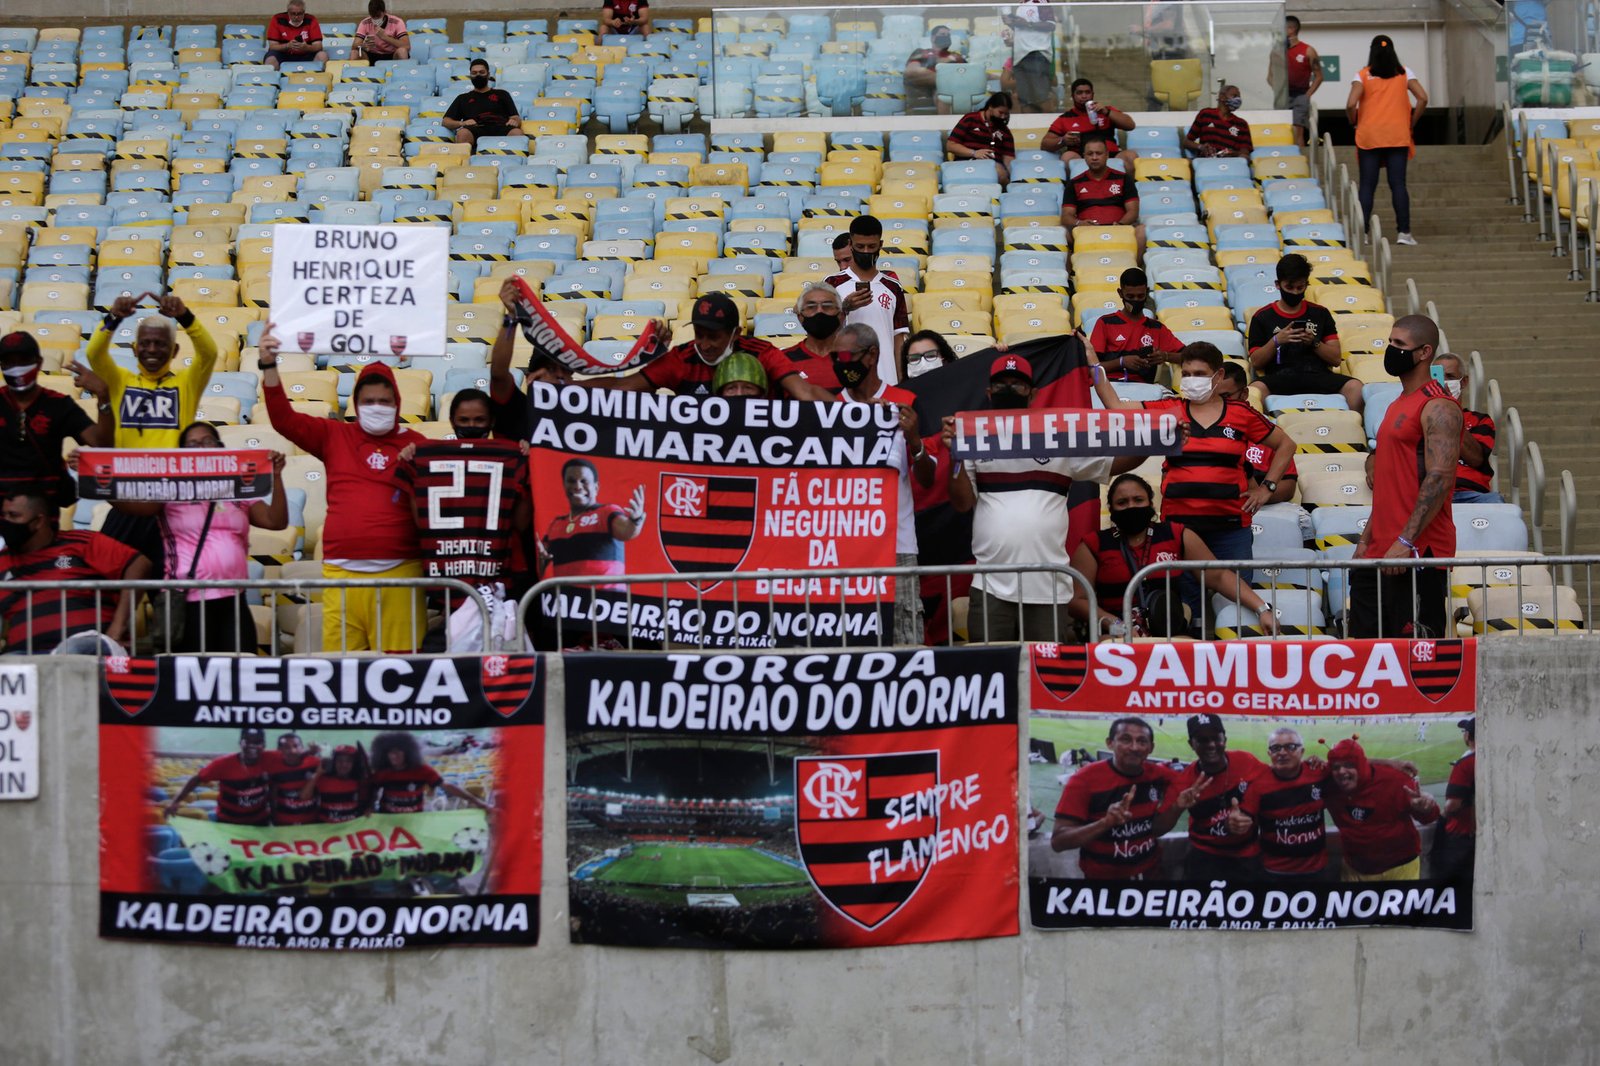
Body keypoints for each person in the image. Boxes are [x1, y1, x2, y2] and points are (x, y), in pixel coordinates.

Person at [945, 354, 1145, 642]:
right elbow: (962, 503)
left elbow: (1117, 462)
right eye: (1002, 384)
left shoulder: (1058, 438)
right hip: (991, 586)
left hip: (1049, 588)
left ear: (1034, 393)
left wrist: (1158, 439)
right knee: (994, 676)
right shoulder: (972, 439)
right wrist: (956, 456)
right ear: (989, 393)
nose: (1009, 389)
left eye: (1018, 384)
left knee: (1045, 679)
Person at [259, 325, 428, 652]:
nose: (376, 406)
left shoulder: (418, 444)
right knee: (343, 671)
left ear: (397, 402)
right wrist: (268, 366)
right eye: (368, 401)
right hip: (342, 575)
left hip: (402, 576)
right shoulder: (333, 435)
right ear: (355, 403)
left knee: (403, 670)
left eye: (384, 400)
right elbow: (284, 420)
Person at [1092, 341, 1296, 598]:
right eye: (1186, 374)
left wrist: (1267, 488)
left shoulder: (1241, 413)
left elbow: (1286, 444)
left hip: (1231, 529)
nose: (1191, 380)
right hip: (1180, 530)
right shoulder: (1168, 410)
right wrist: (1093, 363)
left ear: (1218, 375)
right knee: (1186, 607)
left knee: (1236, 605)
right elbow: (1115, 407)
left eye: (1199, 374)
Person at [106, 422, 289, 653]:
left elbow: (276, 521)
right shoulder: (170, 490)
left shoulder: (237, 489)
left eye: (208, 441)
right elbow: (132, 507)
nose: (201, 447)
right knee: (193, 678)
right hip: (188, 600)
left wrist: (277, 477)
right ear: (182, 454)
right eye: (192, 444)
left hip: (233, 598)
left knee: (239, 671)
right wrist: (97, 481)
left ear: (220, 448)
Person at [87, 291, 220, 570]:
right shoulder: (119, 380)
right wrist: (113, 318)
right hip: (129, 492)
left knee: (171, 579)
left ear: (173, 351)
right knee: (109, 570)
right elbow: (94, 353)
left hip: (172, 498)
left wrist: (184, 316)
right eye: (144, 343)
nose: (151, 350)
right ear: (134, 349)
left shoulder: (187, 383)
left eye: (160, 344)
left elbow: (209, 352)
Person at [396, 390, 531, 649]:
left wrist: (525, 460)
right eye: (464, 420)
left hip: (495, 574)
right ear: (452, 420)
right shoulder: (423, 456)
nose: (471, 426)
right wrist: (411, 457)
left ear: (492, 422)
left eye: (479, 420)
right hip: (456, 573)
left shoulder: (513, 456)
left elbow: (521, 524)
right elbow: (420, 519)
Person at [1069, 473, 1280, 639]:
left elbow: (1219, 576)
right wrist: (1115, 624)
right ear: (1112, 510)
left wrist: (1262, 609)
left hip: (1170, 631)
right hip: (1116, 634)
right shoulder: (1093, 544)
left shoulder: (1177, 534)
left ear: (1151, 505)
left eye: (1138, 500)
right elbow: (1078, 601)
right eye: (1122, 503)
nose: (1131, 506)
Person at [1353, 314, 1459, 638]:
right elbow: (1389, 482)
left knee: (1413, 660)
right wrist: (1365, 540)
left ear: (1425, 352)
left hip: (1414, 553)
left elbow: (1439, 478)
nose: (1391, 350)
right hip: (1380, 551)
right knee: (1367, 654)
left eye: (1399, 345)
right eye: (1390, 342)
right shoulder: (1396, 404)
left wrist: (1405, 541)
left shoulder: (1439, 406)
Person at [833, 323, 934, 645]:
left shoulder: (906, 401)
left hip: (897, 546)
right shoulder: (828, 408)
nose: (841, 364)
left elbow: (928, 479)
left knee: (904, 642)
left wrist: (914, 438)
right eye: (836, 358)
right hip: (843, 546)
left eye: (847, 356)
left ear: (872, 355)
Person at [589, 293, 834, 400]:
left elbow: (806, 393)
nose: (704, 345)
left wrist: (858, 413)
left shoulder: (763, 353)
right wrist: (560, 388)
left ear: (736, 333)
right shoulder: (682, 358)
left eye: (714, 336)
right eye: (699, 334)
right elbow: (623, 387)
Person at [0, 492, 152, 652]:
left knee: (74, 649)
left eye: (13, 516)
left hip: (90, 650)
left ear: (38, 521)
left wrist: (117, 629)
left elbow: (139, 565)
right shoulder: (3, 560)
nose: (6, 521)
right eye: (3, 515)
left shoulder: (81, 543)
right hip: (27, 660)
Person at [903, 331, 971, 644]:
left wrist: (998, 355)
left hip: (959, 542)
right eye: (913, 359)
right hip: (914, 540)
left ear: (946, 358)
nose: (922, 364)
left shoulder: (969, 403)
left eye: (930, 356)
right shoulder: (895, 409)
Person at [1050, 716, 1176, 879]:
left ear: (1151, 748)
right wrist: (1105, 823)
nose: (1134, 747)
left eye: (1142, 741)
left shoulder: (1156, 774)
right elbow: (1058, 842)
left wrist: (1177, 806)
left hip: (1151, 873)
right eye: (1125, 739)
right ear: (1110, 743)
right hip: (1104, 882)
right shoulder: (1085, 779)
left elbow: (1184, 781)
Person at [0, 330, 114, 505]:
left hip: (44, 512)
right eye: (9, 363)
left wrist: (103, 395)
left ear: (38, 363)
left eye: (23, 361)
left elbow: (102, 444)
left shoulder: (59, 404)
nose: (16, 369)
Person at [1152, 714, 1267, 882]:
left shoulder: (1246, 761)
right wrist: (1178, 807)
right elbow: (1158, 829)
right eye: (1203, 740)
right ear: (1192, 744)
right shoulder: (1184, 781)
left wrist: (1312, 765)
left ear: (1225, 740)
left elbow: (1275, 779)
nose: (1211, 745)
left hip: (1248, 854)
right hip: (1205, 858)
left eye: (1216, 738)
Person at [1247, 253, 1363, 412]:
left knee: (1356, 387)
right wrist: (1276, 341)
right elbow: (1256, 362)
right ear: (1277, 284)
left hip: (1318, 375)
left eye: (1300, 287)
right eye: (1289, 287)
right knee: (1254, 391)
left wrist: (1314, 342)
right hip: (1279, 377)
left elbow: (1336, 359)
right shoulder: (1262, 317)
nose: (1295, 292)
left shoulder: (1320, 313)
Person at [1346, 34, 1426, 246]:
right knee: (1398, 184)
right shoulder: (1404, 73)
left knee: (1367, 185)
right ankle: (1404, 233)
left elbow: (1350, 103)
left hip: (1369, 135)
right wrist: (1411, 122)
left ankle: (1362, 234)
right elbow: (1423, 98)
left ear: (1372, 51)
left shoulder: (1362, 75)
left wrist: (1354, 121)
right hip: (1398, 135)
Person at [1324, 735, 1439, 881]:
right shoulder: (1329, 783)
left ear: (1360, 764)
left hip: (1400, 869)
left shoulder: (1396, 781)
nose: (1341, 771)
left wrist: (1426, 808)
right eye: (1336, 767)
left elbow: (1430, 817)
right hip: (1355, 869)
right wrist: (1388, 761)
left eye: (1349, 765)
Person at [825, 215, 911, 385]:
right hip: (846, 376)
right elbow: (823, 333)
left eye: (871, 246)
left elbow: (898, 339)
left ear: (880, 245)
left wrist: (902, 383)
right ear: (850, 244)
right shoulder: (832, 283)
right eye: (860, 246)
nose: (865, 251)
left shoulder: (893, 287)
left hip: (887, 378)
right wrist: (844, 308)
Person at [1237, 727, 1331, 880]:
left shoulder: (1318, 772)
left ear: (1302, 751)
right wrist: (1234, 823)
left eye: (1290, 747)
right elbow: (1243, 822)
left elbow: (1352, 767)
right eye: (1276, 748)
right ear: (1269, 754)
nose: (1282, 753)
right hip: (1274, 872)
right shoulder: (1258, 784)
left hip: (1317, 869)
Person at [489, 278, 574, 443]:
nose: (559, 376)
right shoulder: (516, 409)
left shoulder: (584, 414)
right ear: (530, 377)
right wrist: (512, 317)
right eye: (550, 369)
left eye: (565, 371)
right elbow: (498, 373)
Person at [542, 458, 645, 584]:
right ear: (564, 485)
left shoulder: (606, 512)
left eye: (584, 481)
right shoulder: (555, 525)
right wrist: (541, 560)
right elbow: (541, 568)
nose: (577, 486)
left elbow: (627, 531)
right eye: (571, 481)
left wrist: (636, 520)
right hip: (567, 600)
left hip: (604, 600)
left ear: (596, 487)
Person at [1215, 363, 1300, 507]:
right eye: (1213, 397)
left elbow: (1288, 487)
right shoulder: (1199, 428)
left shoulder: (1270, 434)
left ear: (1244, 394)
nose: (1219, 403)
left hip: (1262, 510)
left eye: (1226, 396)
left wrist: (1261, 493)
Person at [1087, 268, 1183, 384]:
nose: (1136, 301)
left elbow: (1188, 356)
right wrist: (1121, 362)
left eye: (1140, 296)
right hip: (1109, 386)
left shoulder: (1156, 328)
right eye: (1130, 297)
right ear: (1120, 293)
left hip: (1144, 389)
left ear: (1147, 293)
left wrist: (1166, 356)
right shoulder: (1105, 323)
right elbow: (1091, 368)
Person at [163, 728, 274, 825]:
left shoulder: (271, 761)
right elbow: (196, 779)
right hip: (228, 822)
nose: (252, 746)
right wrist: (175, 802)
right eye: (247, 741)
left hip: (260, 822)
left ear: (264, 745)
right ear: (240, 743)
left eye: (257, 742)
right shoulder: (223, 764)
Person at [1432, 352, 1502, 503]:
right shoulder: (1418, 417)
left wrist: (1449, 412)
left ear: (1463, 382)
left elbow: (1476, 459)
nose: (1444, 382)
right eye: (1438, 377)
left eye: (1450, 377)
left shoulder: (1480, 421)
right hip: (1431, 495)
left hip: (1471, 495)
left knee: (1497, 504)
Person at [369, 731, 492, 814]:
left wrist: (478, 802)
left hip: (416, 820)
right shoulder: (382, 773)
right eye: (391, 752)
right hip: (388, 819)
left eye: (399, 751)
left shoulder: (421, 770)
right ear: (385, 754)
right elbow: (370, 791)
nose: (395, 756)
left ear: (408, 752)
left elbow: (447, 786)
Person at [1059, 135, 1141, 249]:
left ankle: (1134, 266)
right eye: (1090, 154)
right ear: (1084, 157)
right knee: (1062, 233)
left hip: (1119, 230)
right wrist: (1079, 223)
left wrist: (1120, 225)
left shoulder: (1124, 178)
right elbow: (1066, 216)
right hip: (1086, 232)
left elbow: (1133, 211)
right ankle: (1071, 267)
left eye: (1099, 153)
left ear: (1107, 155)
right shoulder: (1074, 183)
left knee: (1141, 232)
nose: (1094, 157)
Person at [1042, 79, 1139, 163]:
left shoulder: (1105, 110)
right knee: (1067, 157)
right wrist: (1063, 140)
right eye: (1079, 93)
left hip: (1110, 154)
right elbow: (1045, 144)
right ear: (1073, 96)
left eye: (1087, 92)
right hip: (1081, 157)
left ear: (1093, 94)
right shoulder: (1065, 118)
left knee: (1131, 156)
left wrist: (1107, 112)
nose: (1084, 96)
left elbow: (1130, 125)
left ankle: (1128, 184)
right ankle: (1072, 184)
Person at [775, 280, 843, 392]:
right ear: (800, 317)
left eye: (827, 306)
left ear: (841, 316)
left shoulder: (857, 358)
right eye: (811, 307)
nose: (819, 312)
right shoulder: (783, 360)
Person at [1431, 717, 1475, 882]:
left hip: (1461, 835)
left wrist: (1442, 815)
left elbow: (1452, 805)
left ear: (1468, 736)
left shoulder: (1465, 764)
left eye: (1465, 731)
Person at [443, 59, 521, 146]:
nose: (478, 75)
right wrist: (462, 123)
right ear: (470, 75)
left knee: (517, 132)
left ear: (488, 74)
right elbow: (446, 121)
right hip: (475, 129)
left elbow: (515, 117)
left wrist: (514, 121)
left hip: (501, 127)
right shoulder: (463, 98)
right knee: (462, 133)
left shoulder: (502, 94)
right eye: (474, 73)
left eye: (481, 72)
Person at [946, 92, 1016, 187]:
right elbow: (951, 145)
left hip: (995, 167)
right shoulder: (970, 119)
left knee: (1001, 174)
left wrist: (1013, 175)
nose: (1003, 117)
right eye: (1000, 112)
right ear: (990, 107)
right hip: (967, 162)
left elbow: (1008, 158)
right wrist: (974, 153)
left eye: (1006, 114)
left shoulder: (1005, 131)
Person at [1004, 0, 1058, 113]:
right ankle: (1029, 128)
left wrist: (1028, 24)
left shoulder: (1040, 2)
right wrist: (1011, 22)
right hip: (1020, 55)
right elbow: (1023, 28)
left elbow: (1051, 25)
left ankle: (1048, 127)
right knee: (1024, 98)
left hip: (1036, 53)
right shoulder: (1021, 4)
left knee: (1041, 95)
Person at [904, 25, 966, 115]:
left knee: (943, 93)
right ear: (933, 38)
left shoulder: (957, 57)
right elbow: (911, 71)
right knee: (944, 91)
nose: (946, 37)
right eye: (942, 34)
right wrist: (945, 77)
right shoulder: (921, 53)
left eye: (948, 35)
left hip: (952, 93)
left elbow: (971, 74)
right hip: (923, 92)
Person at [1283, 16, 1324, 147]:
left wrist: (1307, 95)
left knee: (1298, 130)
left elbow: (1319, 76)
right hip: (1282, 96)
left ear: (1291, 29)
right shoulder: (1277, 50)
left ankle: (1300, 163)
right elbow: (1270, 75)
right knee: (1282, 130)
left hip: (1300, 95)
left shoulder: (1308, 50)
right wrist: (1278, 90)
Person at [1182, 85, 1253, 158]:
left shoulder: (1242, 124)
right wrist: (1201, 147)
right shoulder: (1205, 114)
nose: (1238, 100)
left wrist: (1234, 153)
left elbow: (1245, 153)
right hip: (1206, 163)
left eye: (1239, 97)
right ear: (1222, 97)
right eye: (1234, 96)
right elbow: (1186, 142)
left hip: (1231, 164)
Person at [268, 732, 323, 826]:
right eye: (286, 747)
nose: (292, 750)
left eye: (296, 746)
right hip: (283, 825)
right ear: (279, 750)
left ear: (302, 748)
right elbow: (272, 797)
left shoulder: (314, 763)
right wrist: (274, 819)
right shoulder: (274, 768)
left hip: (311, 823)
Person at [305, 744, 369, 823]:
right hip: (325, 828)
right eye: (340, 760)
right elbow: (304, 796)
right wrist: (317, 774)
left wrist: (368, 809)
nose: (344, 764)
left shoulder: (360, 782)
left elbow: (366, 803)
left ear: (354, 764)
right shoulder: (323, 780)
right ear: (333, 762)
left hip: (351, 828)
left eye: (348, 761)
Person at [264, 0, 327, 68]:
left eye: (299, 14)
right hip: (283, 54)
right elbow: (272, 46)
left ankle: (317, 77)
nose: (296, 17)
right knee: (270, 60)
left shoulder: (311, 19)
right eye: (293, 13)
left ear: (304, 12)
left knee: (322, 55)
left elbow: (318, 46)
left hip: (306, 54)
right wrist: (287, 46)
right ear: (288, 12)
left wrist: (307, 47)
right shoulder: (277, 19)